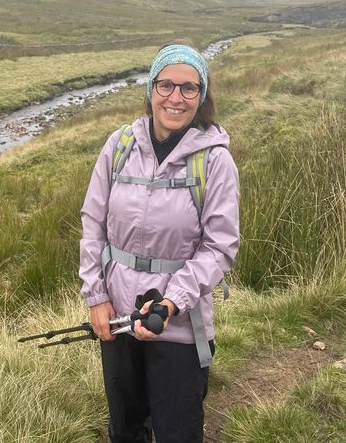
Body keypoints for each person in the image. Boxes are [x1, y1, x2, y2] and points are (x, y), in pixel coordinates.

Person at [79, 43, 240, 443]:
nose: (175, 97)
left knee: (177, 432)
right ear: (151, 89)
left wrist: (170, 304)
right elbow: (92, 224)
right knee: (126, 429)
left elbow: (219, 247)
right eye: (166, 84)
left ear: (201, 97)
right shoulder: (118, 147)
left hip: (179, 326)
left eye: (189, 88)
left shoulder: (214, 161)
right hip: (117, 319)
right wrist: (96, 298)